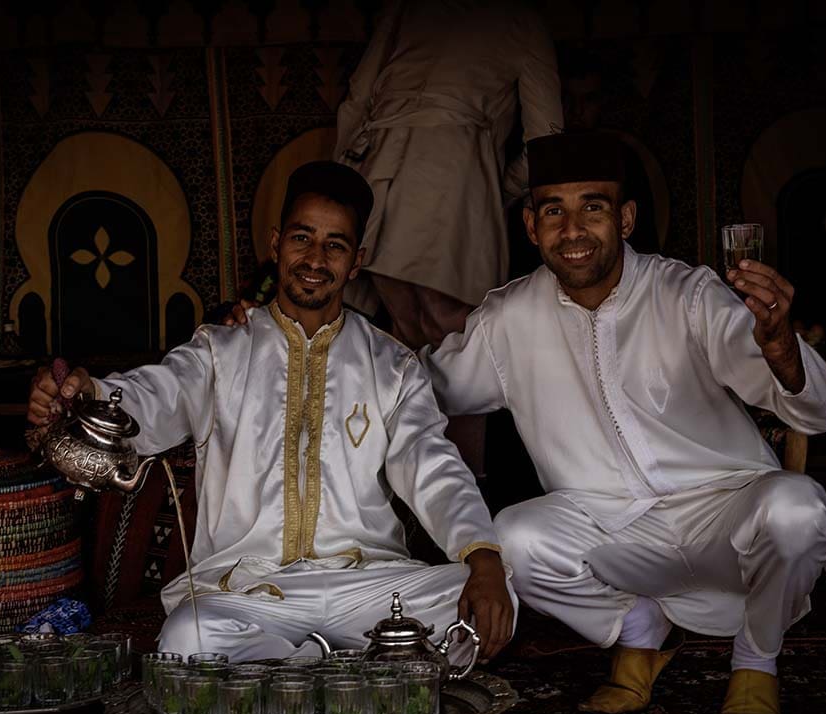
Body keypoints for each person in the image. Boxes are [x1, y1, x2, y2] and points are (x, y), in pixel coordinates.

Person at [421, 132, 826, 714]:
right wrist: (337, 341)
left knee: (798, 509)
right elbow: (423, 387)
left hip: (723, 520)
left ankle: (755, 662)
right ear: (530, 224)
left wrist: (780, 348)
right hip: (613, 533)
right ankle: (640, 635)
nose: (572, 230)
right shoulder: (509, 317)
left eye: (592, 208)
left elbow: (815, 409)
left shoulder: (687, 294)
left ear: (625, 218)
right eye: (553, 211)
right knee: (512, 536)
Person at [27, 162, 515, 663]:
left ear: (356, 261)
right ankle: (345, 667)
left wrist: (482, 557)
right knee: (189, 637)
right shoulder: (220, 350)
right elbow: (154, 395)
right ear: (276, 243)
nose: (315, 259)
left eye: (335, 245)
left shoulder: (392, 366)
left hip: (364, 586)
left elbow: (433, 466)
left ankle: (289, 668)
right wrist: (87, 392)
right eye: (302, 238)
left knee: (491, 599)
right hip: (248, 589)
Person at [333, 0, 563, 478]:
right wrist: (497, 189)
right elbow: (547, 137)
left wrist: (344, 189)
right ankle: (456, 495)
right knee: (461, 343)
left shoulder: (403, 9)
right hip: (456, 181)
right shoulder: (520, 18)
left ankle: (398, 486)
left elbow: (357, 99)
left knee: (400, 338)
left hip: (381, 176)